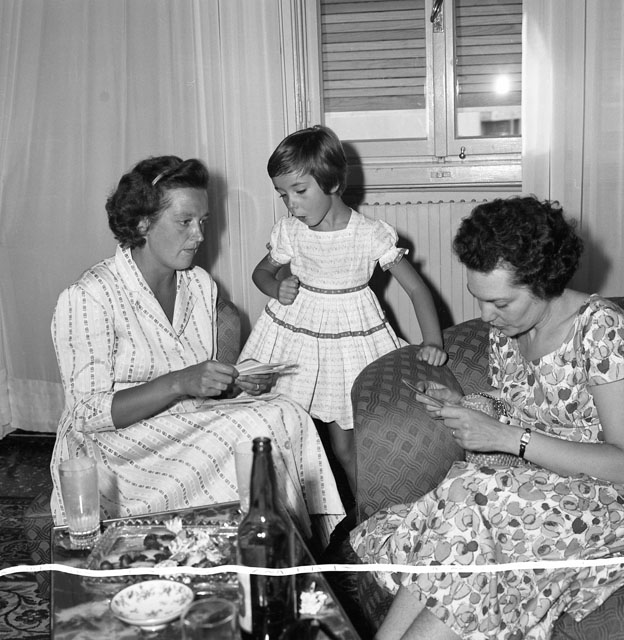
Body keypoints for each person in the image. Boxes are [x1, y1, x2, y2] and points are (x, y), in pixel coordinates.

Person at [350, 196, 624, 639]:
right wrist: (467, 402)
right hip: (535, 490)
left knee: (475, 498)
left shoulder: (600, 329)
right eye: (478, 299)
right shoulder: (507, 331)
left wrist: (509, 438)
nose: (485, 316)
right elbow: (527, 398)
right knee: (467, 500)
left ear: (545, 281)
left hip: (604, 503)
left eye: (500, 303)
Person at [50, 155, 345, 544]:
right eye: (185, 221)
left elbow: (197, 386)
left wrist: (235, 382)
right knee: (255, 430)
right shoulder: (89, 296)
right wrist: (179, 382)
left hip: (182, 426)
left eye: (203, 221)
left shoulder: (199, 284)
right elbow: (87, 415)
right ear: (142, 223)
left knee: (287, 413)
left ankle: (290, 548)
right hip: (116, 454)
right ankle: (267, 547)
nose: (199, 235)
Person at [239, 125, 446, 495]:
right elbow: (261, 273)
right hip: (295, 339)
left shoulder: (369, 234)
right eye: (283, 195)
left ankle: (364, 512)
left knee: (346, 447)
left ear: (332, 182)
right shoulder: (290, 231)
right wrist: (276, 289)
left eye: (300, 191)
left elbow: (416, 289)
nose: (291, 204)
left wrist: (432, 341)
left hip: (348, 343)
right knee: (283, 430)